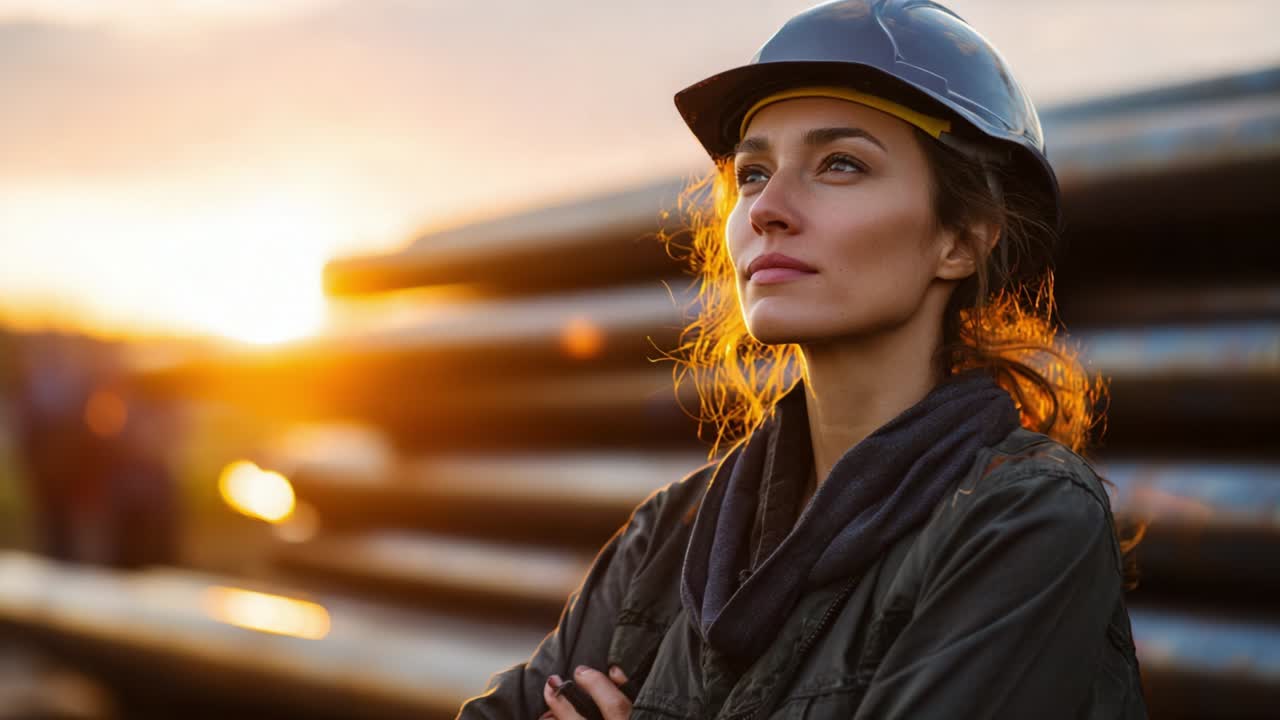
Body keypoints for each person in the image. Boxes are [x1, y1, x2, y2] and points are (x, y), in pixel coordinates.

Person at [456, 1, 1148, 718]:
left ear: (963, 240)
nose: (767, 208)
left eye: (840, 164)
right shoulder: (675, 529)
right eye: (753, 172)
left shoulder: (1026, 520)